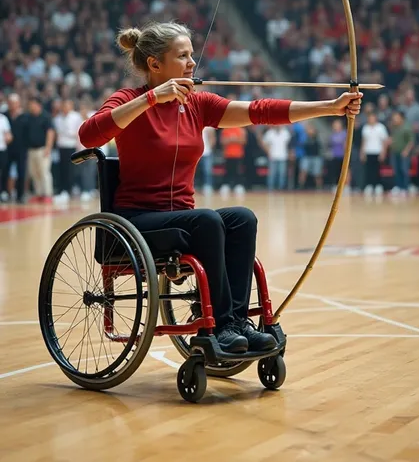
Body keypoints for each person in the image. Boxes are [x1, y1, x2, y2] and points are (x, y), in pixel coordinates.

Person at [79, 22, 362, 354]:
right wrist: (153, 98)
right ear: (155, 65)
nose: (192, 63)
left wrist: (329, 107)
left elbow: (260, 112)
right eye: (182, 56)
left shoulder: (197, 105)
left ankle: (237, 322)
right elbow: (89, 136)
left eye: (191, 55)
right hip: (136, 222)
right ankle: (223, 323)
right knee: (208, 220)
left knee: (242, 217)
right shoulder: (129, 99)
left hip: (181, 219)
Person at [26, 97, 55, 203]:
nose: (31, 107)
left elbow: (50, 132)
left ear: (38, 105)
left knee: (44, 172)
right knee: (34, 173)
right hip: (31, 149)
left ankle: (48, 194)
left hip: (42, 149)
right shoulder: (28, 117)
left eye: (33, 104)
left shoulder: (45, 116)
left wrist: (48, 148)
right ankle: (38, 194)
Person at [361, 112, 389, 198]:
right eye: (369, 118)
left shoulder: (381, 128)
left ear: (375, 118)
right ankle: (369, 185)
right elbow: (364, 141)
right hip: (368, 152)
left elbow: (385, 141)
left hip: (378, 152)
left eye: (372, 117)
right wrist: (362, 152)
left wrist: (383, 152)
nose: (371, 119)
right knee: (369, 170)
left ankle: (378, 185)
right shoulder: (366, 128)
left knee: (377, 170)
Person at [388, 110, 414, 198]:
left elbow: (411, 141)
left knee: (404, 170)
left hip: (404, 153)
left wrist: (406, 151)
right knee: (396, 170)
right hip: (394, 152)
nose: (395, 119)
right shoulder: (394, 127)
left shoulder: (407, 127)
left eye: (396, 117)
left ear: (401, 118)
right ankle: (398, 187)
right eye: (394, 118)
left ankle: (405, 188)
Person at [262, 125, 292, 191]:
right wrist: (268, 151)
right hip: (272, 156)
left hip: (283, 156)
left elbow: (289, 144)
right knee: (272, 173)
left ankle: (281, 188)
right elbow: (263, 143)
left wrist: (289, 153)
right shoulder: (270, 133)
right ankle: (270, 188)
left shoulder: (285, 132)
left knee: (282, 173)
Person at [0, 111, 13, 201]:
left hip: (2, 148)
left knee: (3, 171)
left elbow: (8, 134)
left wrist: (8, 138)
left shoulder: (3, 118)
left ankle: (3, 191)